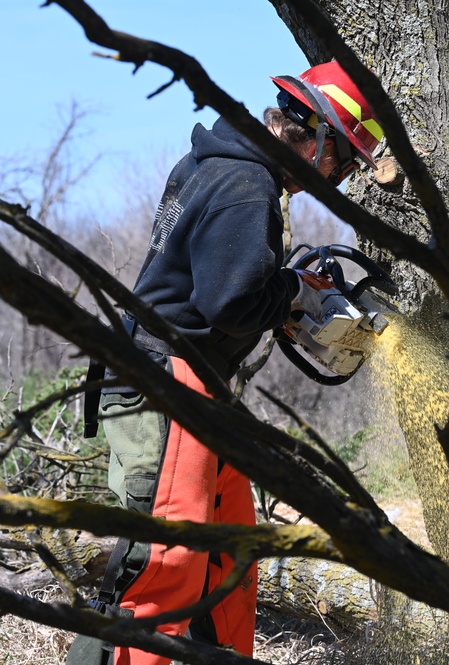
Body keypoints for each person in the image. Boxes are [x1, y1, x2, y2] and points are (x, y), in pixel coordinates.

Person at [77, 62, 383, 665]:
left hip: (198, 388)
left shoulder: (216, 166)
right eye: (343, 162)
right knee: (163, 570)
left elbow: (218, 286)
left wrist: (286, 288)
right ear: (314, 136)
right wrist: (292, 293)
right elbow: (232, 300)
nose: (341, 178)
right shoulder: (246, 184)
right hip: (165, 384)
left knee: (227, 563)